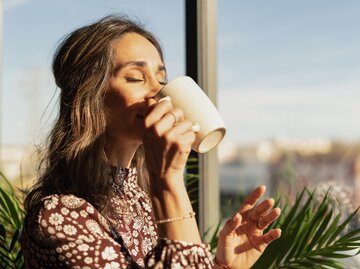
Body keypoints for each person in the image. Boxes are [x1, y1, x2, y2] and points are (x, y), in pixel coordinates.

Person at [20, 15, 281, 269]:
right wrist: (167, 180)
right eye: (135, 77)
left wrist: (222, 265)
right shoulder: (57, 216)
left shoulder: (142, 197)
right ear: (90, 96)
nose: (158, 92)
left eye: (161, 78)